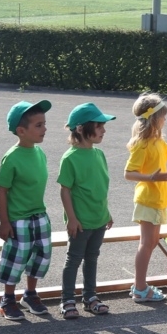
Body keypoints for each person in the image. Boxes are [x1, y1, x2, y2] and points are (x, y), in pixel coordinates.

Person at [0, 100, 52, 321]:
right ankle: (7, 299)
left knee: (40, 257)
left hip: (39, 215)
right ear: (21, 131)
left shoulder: (39, 153)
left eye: (44, 123)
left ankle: (30, 295)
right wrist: (4, 222)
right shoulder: (12, 157)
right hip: (18, 219)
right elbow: (2, 191)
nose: (44, 128)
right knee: (16, 260)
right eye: (38, 125)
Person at [58, 102, 116, 318]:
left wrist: (106, 213)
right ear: (81, 129)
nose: (103, 130)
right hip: (81, 222)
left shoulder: (99, 154)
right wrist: (72, 219)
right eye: (99, 126)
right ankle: (67, 300)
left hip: (99, 219)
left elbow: (100, 187)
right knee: (73, 259)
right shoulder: (70, 158)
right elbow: (65, 190)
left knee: (92, 258)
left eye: (103, 126)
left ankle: (90, 297)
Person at [124, 93, 167, 304]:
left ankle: (140, 285)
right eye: (163, 116)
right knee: (146, 243)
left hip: (159, 200)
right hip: (147, 199)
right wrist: (152, 177)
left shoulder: (158, 141)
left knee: (153, 242)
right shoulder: (143, 144)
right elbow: (129, 173)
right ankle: (139, 288)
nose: (165, 120)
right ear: (154, 118)